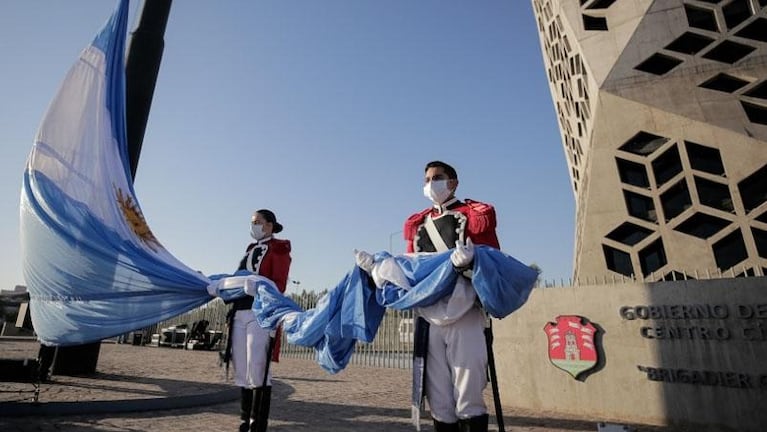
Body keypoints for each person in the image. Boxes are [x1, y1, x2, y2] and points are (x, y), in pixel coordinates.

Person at [356, 160, 499, 432]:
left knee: (468, 392)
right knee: (438, 396)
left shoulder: (473, 214)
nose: (431, 184)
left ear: (453, 183)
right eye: (427, 179)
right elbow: (411, 268)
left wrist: (471, 263)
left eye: (437, 177)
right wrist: (381, 270)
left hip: (464, 307)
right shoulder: (419, 223)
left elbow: (494, 263)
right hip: (428, 312)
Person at [225, 209, 292, 432]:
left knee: (258, 367)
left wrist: (259, 285)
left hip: (259, 313)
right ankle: (244, 421)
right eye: (252, 222)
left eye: (257, 222)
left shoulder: (280, 248)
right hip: (240, 311)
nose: (253, 226)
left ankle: (257, 423)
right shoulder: (249, 249)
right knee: (242, 369)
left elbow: (279, 286)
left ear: (269, 225)